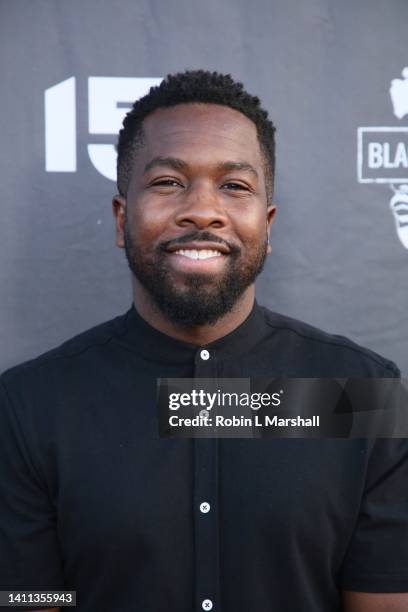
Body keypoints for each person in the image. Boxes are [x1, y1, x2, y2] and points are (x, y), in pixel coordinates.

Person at [0, 70, 407, 612]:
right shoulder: (33, 406)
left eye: (234, 186)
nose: (202, 209)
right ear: (122, 218)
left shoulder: (359, 396)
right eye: (168, 182)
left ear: (267, 224)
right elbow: (30, 600)